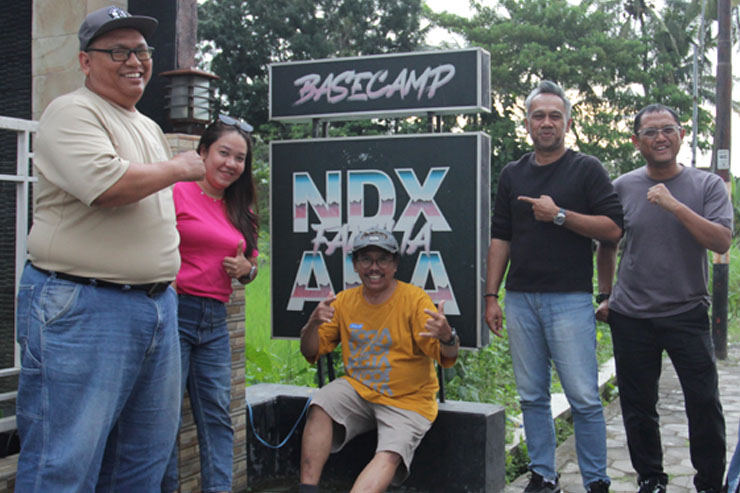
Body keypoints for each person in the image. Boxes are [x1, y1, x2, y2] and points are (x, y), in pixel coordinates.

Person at [14, 6, 206, 491]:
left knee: (142, 462)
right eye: (118, 52)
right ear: (85, 61)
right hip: (84, 306)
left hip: (155, 307)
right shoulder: (71, 111)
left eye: (141, 50)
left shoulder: (145, 125)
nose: (135, 61)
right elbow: (106, 185)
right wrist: (181, 166)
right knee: (64, 461)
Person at [485, 80, 623, 493]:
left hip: (570, 300)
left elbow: (613, 229)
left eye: (554, 116)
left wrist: (560, 214)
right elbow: (501, 237)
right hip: (520, 299)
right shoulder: (513, 174)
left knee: (583, 397)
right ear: (527, 122)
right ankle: (544, 475)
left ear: (567, 123)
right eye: (539, 115)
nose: (546, 122)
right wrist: (491, 296)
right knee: (531, 396)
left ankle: (596, 480)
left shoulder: (587, 169)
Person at [595, 104, 731, 493]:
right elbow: (608, 242)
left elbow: (721, 241)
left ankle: (710, 483)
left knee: (703, 402)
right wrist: (605, 294)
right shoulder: (622, 186)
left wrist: (675, 205)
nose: (660, 138)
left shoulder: (707, 186)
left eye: (668, 130)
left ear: (681, 135)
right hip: (631, 315)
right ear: (636, 141)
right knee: (638, 406)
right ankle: (651, 479)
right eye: (650, 132)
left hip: (687, 311)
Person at [297, 227, 459, 493]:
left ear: (394, 265)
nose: (374, 267)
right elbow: (309, 350)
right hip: (359, 389)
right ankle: (307, 489)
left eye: (382, 259)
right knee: (321, 403)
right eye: (366, 259)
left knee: (390, 453)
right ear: (355, 265)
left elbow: (447, 356)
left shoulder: (415, 300)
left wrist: (448, 337)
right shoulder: (343, 301)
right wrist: (312, 324)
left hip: (408, 399)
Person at [162, 115, 260, 493]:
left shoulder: (241, 208)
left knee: (217, 417)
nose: (231, 164)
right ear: (203, 151)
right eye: (224, 153)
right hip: (175, 312)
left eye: (240, 158)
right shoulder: (176, 191)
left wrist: (247, 269)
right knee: (165, 418)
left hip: (214, 319)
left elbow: (250, 266)